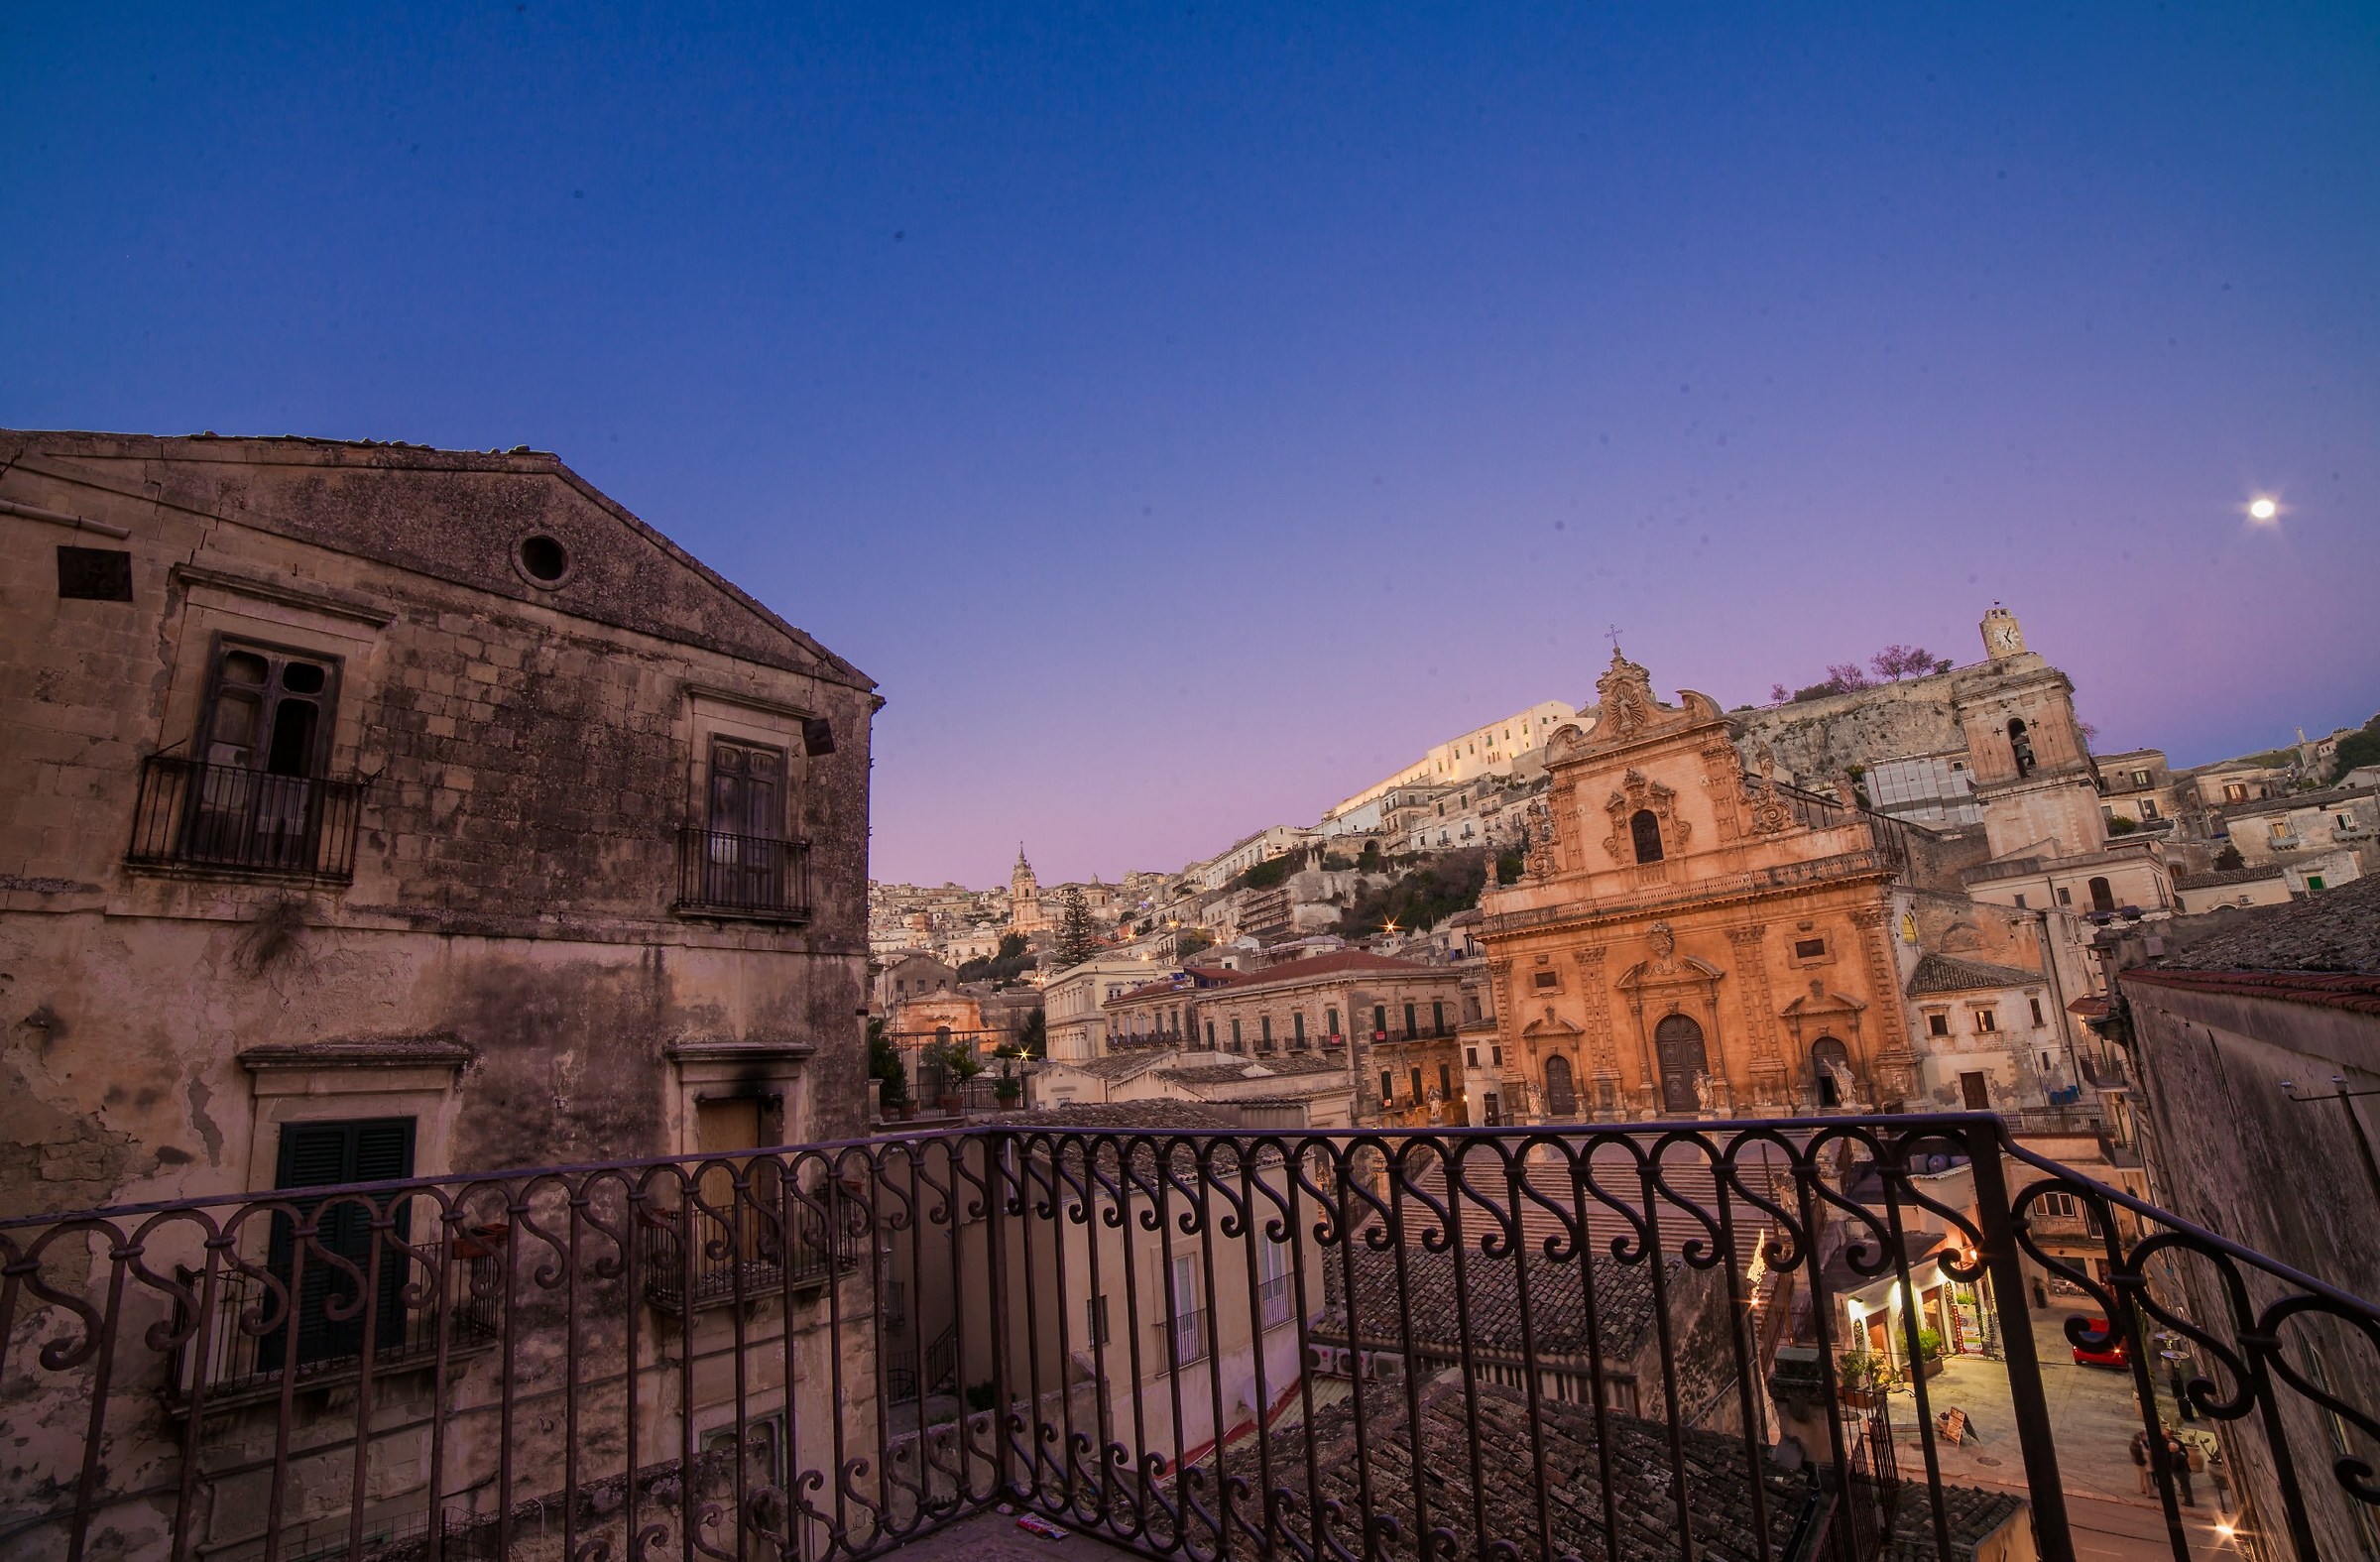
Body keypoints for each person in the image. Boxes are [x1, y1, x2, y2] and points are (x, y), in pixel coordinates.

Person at [2165, 1427, 2197, 1506]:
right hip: (2177, 1468)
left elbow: (2177, 1465)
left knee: (2185, 1486)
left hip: (2180, 1472)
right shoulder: (2165, 1442)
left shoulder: (2178, 1451)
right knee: (2185, 1485)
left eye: (2167, 1434)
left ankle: (2189, 1501)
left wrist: (2173, 1467)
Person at [2130, 1429, 2153, 1496]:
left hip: (2139, 1462)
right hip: (2142, 1462)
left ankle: (2143, 1488)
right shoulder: (2138, 1445)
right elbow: (2141, 1453)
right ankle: (2149, 1493)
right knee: (2146, 1477)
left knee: (2142, 1476)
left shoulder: (2138, 1443)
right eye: (2144, 1435)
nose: (2146, 1436)